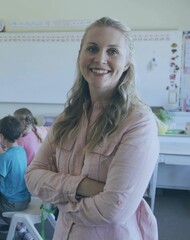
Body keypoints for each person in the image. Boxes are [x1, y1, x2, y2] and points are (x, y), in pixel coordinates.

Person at [25, 17, 159, 240]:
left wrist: (63, 204)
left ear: (126, 63)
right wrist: (84, 186)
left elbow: (113, 209)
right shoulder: (66, 119)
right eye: (92, 49)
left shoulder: (139, 122)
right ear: (80, 56)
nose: (100, 59)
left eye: (113, 51)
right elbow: (32, 178)